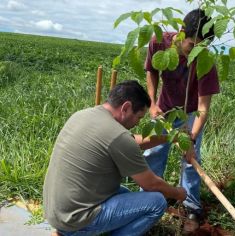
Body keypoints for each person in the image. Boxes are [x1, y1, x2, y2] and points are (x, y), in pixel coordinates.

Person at [43, 80, 187, 236]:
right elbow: (151, 184)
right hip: (74, 220)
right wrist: (178, 193)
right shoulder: (118, 136)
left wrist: (168, 138)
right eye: (139, 117)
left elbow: (133, 141)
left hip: (56, 211)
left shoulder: (84, 115)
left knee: (126, 194)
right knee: (157, 202)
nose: (138, 123)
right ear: (126, 108)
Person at [144, 8, 220, 231]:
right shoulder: (159, 43)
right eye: (191, 46)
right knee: (153, 152)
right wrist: (152, 103)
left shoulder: (205, 61)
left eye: (201, 47)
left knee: (191, 162)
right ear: (180, 32)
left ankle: (191, 206)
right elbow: (151, 71)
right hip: (165, 110)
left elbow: (203, 106)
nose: (194, 52)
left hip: (190, 113)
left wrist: (192, 139)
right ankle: (149, 199)